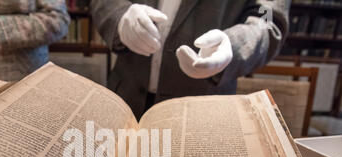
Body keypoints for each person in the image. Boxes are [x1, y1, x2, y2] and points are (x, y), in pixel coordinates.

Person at [90, 0, 290, 119]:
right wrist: (119, 16)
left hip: (202, 113)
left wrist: (235, 43)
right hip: (125, 100)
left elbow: (266, 18)